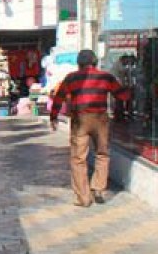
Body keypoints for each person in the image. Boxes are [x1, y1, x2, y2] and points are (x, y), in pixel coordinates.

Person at [50, 49, 130, 207]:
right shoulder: (106, 77)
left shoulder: (71, 77)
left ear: (79, 64)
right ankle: (99, 189)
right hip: (100, 119)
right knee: (102, 154)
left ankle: (83, 198)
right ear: (95, 62)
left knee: (78, 159)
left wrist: (53, 117)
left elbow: (58, 98)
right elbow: (122, 96)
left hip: (80, 119)